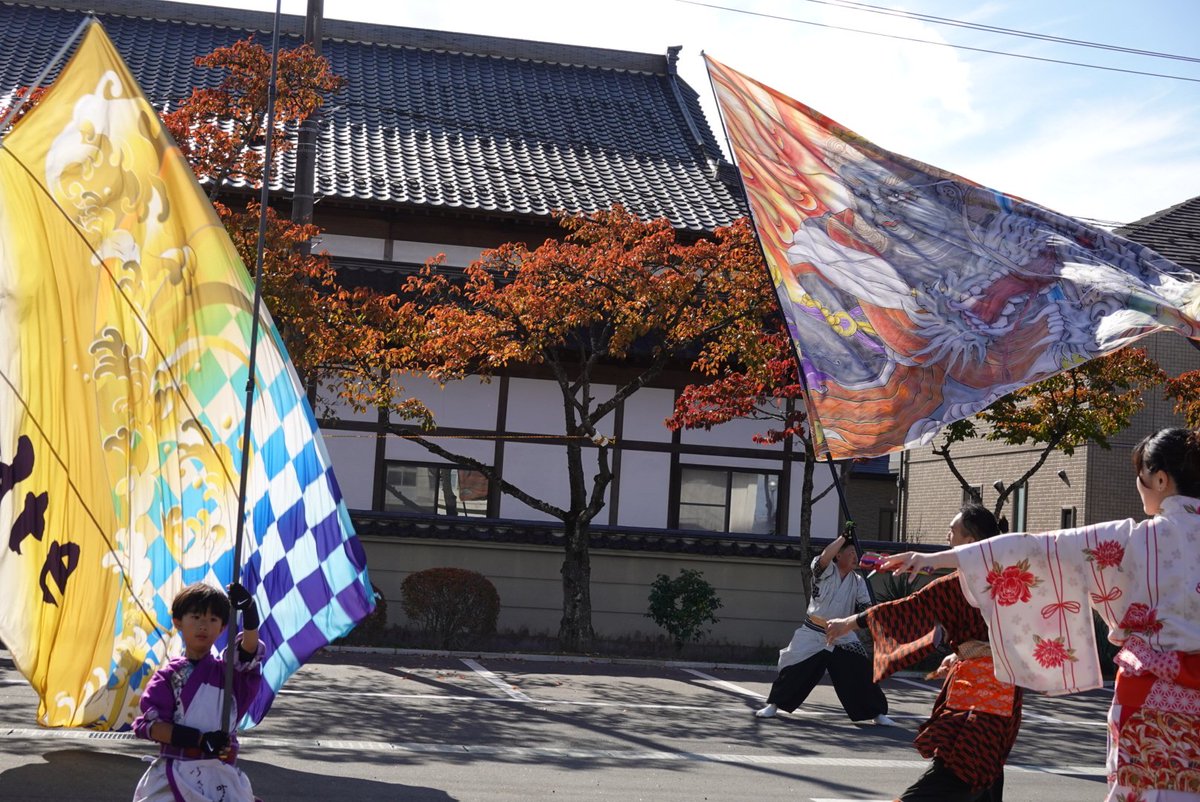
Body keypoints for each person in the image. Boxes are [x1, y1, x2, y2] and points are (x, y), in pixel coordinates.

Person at [881, 427, 1200, 802]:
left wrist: (930, 559)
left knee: (1144, 791)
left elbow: (1035, 549)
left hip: (1148, 692)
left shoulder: (1134, 539)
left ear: (1161, 479)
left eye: (1142, 477)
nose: (1139, 485)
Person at [825, 504, 1022, 801]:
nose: (948, 536)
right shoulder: (1014, 579)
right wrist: (962, 653)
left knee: (959, 770)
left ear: (969, 542)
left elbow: (907, 610)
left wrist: (849, 623)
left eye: (953, 531)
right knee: (984, 772)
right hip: (1004, 693)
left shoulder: (958, 584)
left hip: (980, 698)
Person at [132, 581, 264, 802]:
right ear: (178, 622)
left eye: (213, 619)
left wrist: (250, 612)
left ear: (222, 627)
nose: (204, 625)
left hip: (221, 776)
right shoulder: (167, 677)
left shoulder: (230, 674)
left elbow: (248, 651)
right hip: (173, 776)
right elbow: (152, 727)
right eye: (195, 617)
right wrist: (199, 740)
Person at [756, 528, 895, 726]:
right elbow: (823, 558)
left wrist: (871, 614)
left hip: (842, 634)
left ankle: (877, 713)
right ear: (838, 555)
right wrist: (843, 538)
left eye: (856, 553)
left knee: (861, 672)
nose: (855, 557)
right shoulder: (826, 571)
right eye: (851, 553)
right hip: (813, 631)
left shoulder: (857, 582)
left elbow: (865, 608)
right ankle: (774, 704)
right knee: (794, 668)